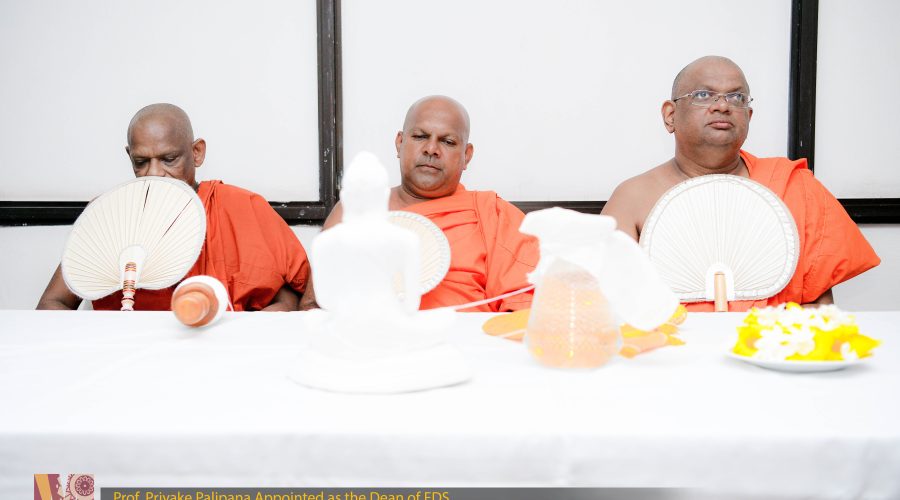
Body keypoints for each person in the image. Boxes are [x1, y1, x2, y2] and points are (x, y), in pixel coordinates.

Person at [601, 56, 880, 311]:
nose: (722, 106)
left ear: (748, 116)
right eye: (703, 95)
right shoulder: (633, 198)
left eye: (736, 97)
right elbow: (610, 307)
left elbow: (820, 310)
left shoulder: (794, 187)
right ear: (670, 115)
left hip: (770, 346)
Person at [37, 103, 309, 311]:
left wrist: (237, 334)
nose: (155, 173)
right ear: (129, 156)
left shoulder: (240, 207)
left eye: (169, 159)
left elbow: (292, 296)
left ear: (197, 153)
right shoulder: (110, 213)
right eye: (141, 162)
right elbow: (52, 302)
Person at [301, 95, 538, 312]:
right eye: (420, 137)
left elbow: (523, 309)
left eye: (447, 141)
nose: (431, 149)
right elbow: (313, 305)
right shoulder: (355, 210)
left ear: (467, 155)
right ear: (399, 143)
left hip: (465, 342)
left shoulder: (493, 214)